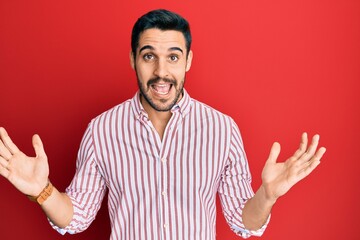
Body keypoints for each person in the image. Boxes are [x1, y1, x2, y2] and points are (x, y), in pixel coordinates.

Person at [0, 9, 326, 240]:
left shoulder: (222, 130)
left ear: (188, 61)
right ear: (132, 59)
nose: (161, 71)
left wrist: (267, 196)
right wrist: (41, 191)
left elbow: (243, 221)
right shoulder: (101, 131)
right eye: (148, 56)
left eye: (172, 56)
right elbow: (78, 216)